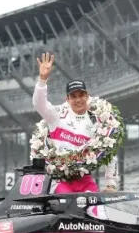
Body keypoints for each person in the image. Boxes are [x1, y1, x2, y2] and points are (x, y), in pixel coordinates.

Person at [32, 52, 118, 193]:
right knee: (69, 209)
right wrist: (42, 80)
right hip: (60, 181)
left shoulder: (97, 122)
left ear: (87, 96)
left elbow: (110, 153)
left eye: (81, 95)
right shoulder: (56, 116)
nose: (78, 100)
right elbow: (39, 104)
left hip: (85, 181)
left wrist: (111, 183)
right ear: (67, 99)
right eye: (73, 96)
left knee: (95, 212)